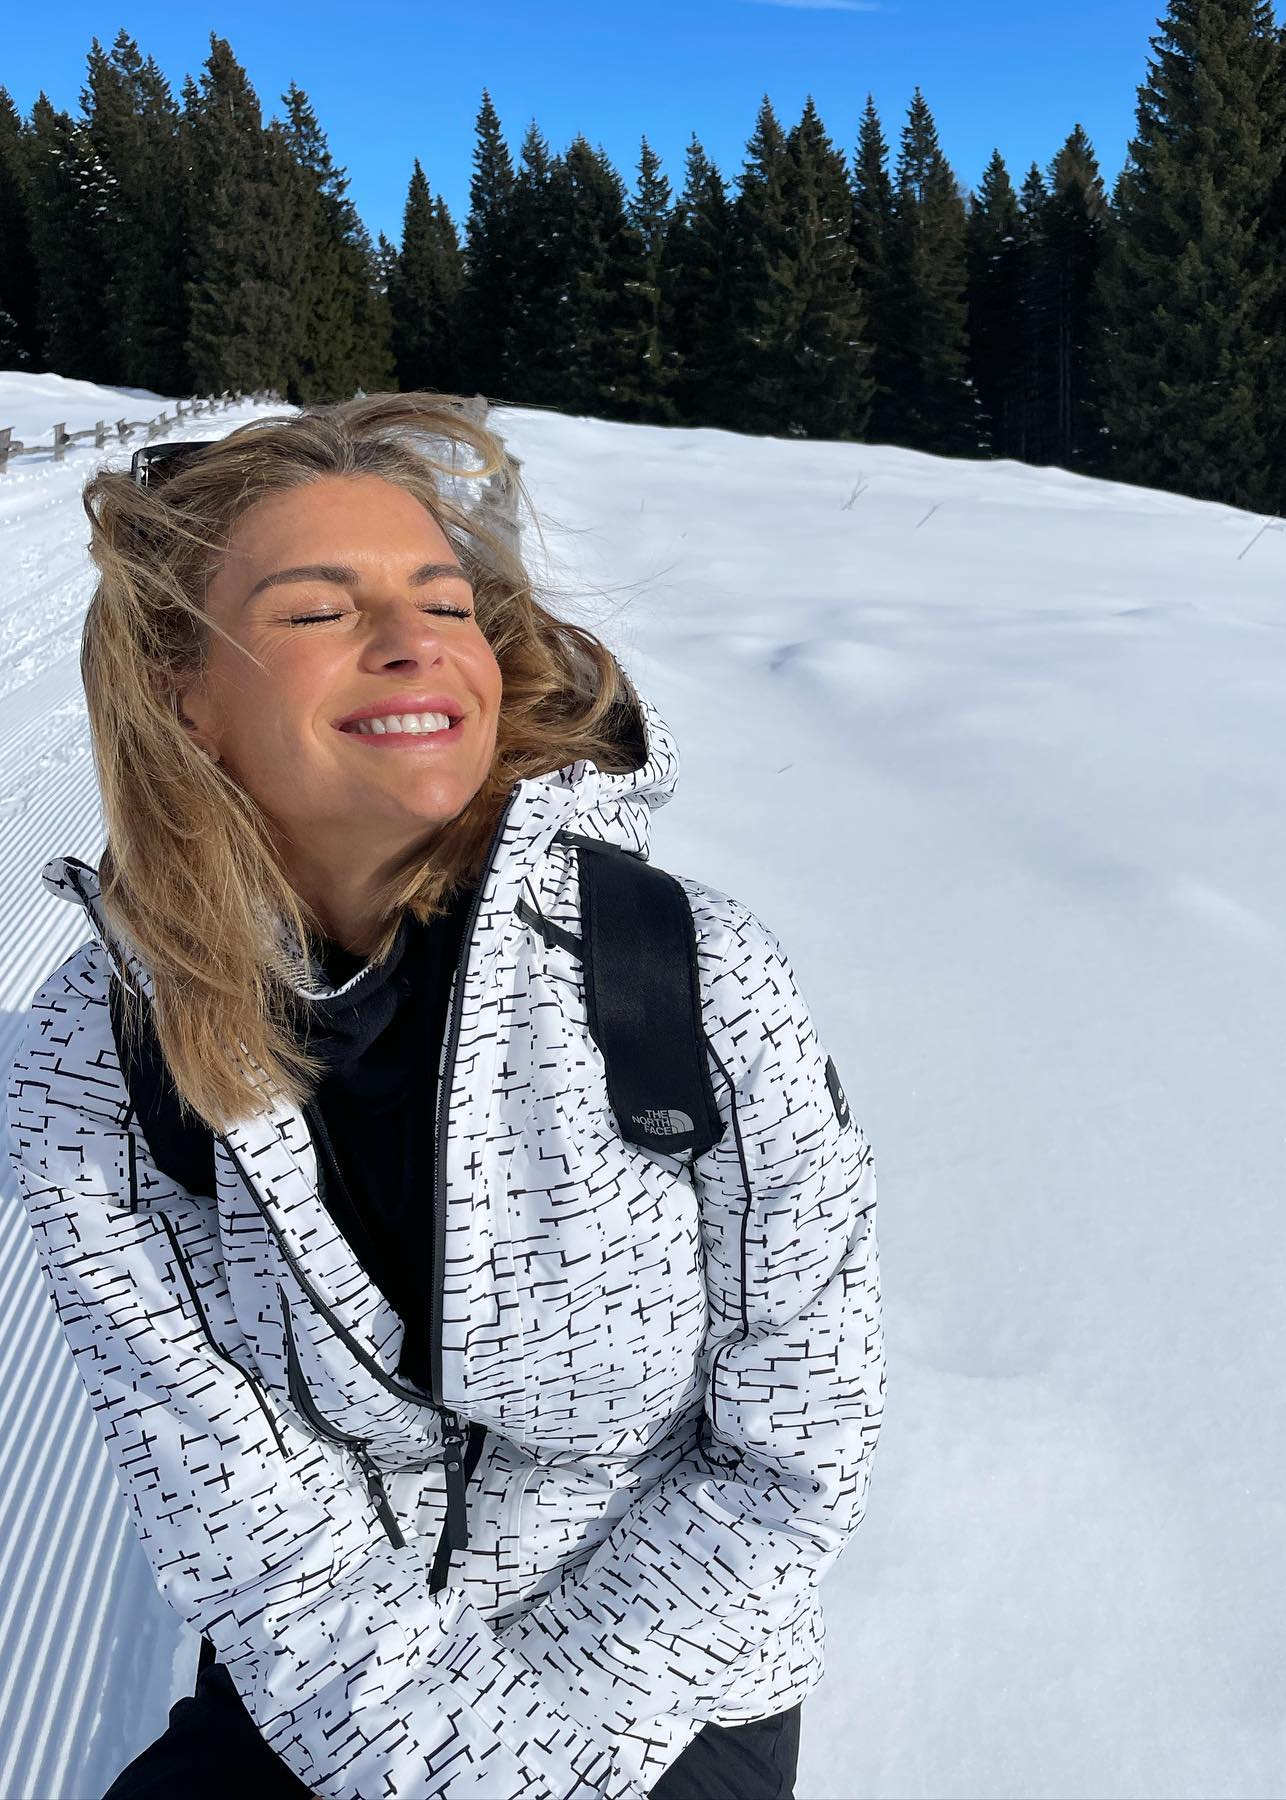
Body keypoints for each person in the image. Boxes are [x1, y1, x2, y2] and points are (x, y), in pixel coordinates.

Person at [4, 392, 886, 1799]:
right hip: (338, 1679)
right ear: (187, 693)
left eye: (445, 601)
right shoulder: (94, 1063)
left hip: (665, 1666)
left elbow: (791, 1454)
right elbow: (256, 1541)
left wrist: (526, 1764)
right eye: (316, 612)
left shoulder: (686, 978)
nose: (415, 640)